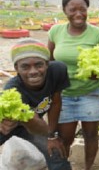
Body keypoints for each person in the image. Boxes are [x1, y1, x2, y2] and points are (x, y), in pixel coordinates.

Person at [48, 0, 99, 170]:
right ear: (64, 10)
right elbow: (49, 60)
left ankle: (88, 167)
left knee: (91, 135)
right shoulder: (55, 31)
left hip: (90, 93)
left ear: (87, 10)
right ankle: (64, 165)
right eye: (72, 9)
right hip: (63, 96)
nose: (78, 14)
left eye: (82, 9)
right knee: (65, 138)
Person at [0, 38, 72, 170]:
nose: (33, 71)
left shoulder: (58, 71)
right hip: (7, 124)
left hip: (32, 123)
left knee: (56, 151)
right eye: (25, 66)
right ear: (16, 68)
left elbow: (55, 102)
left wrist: (52, 136)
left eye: (39, 65)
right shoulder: (12, 90)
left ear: (47, 63)